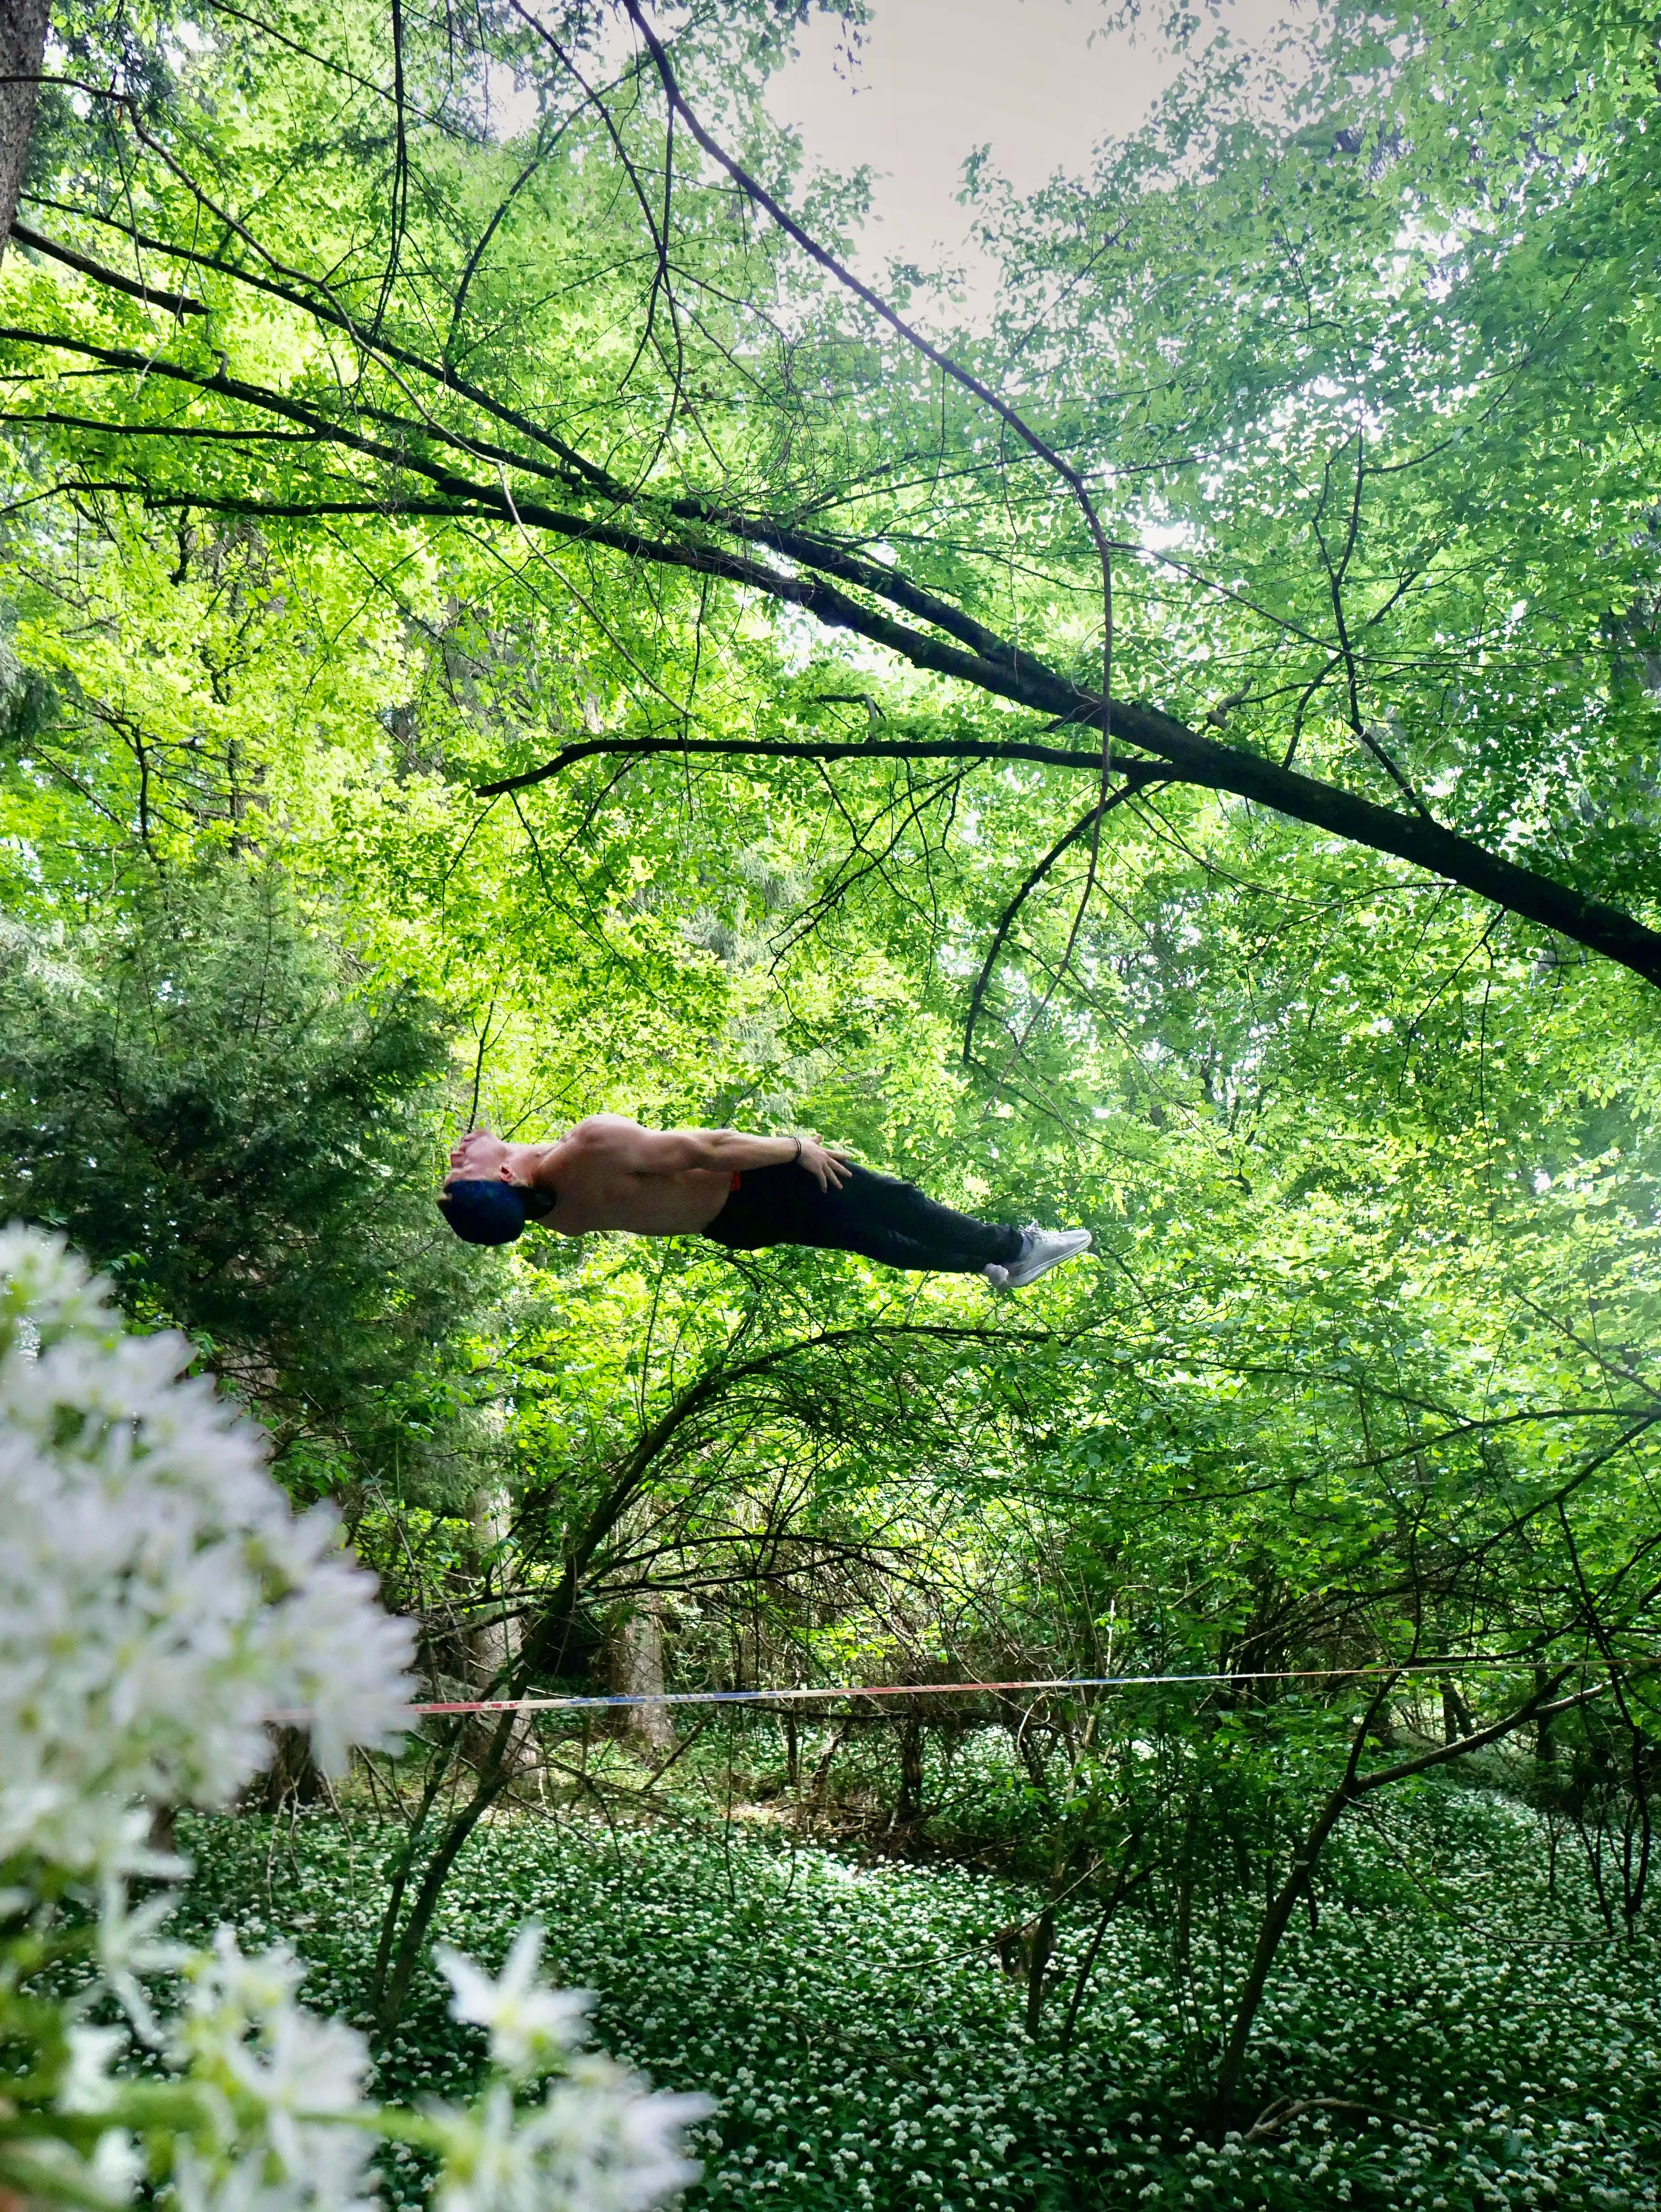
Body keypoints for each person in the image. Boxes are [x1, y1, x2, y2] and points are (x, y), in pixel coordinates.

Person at [437, 1118, 1091, 1288]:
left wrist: (492, 1162)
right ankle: (1016, 1247)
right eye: (459, 1169)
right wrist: (792, 1150)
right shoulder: (590, 1146)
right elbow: (711, 1148)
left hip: (732, 1227)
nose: (455, 1155)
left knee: (870, 1240)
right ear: (500, 1173)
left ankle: (981, 1268)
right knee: (894, 1202)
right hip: (751, 1183)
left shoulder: (558, 1216)